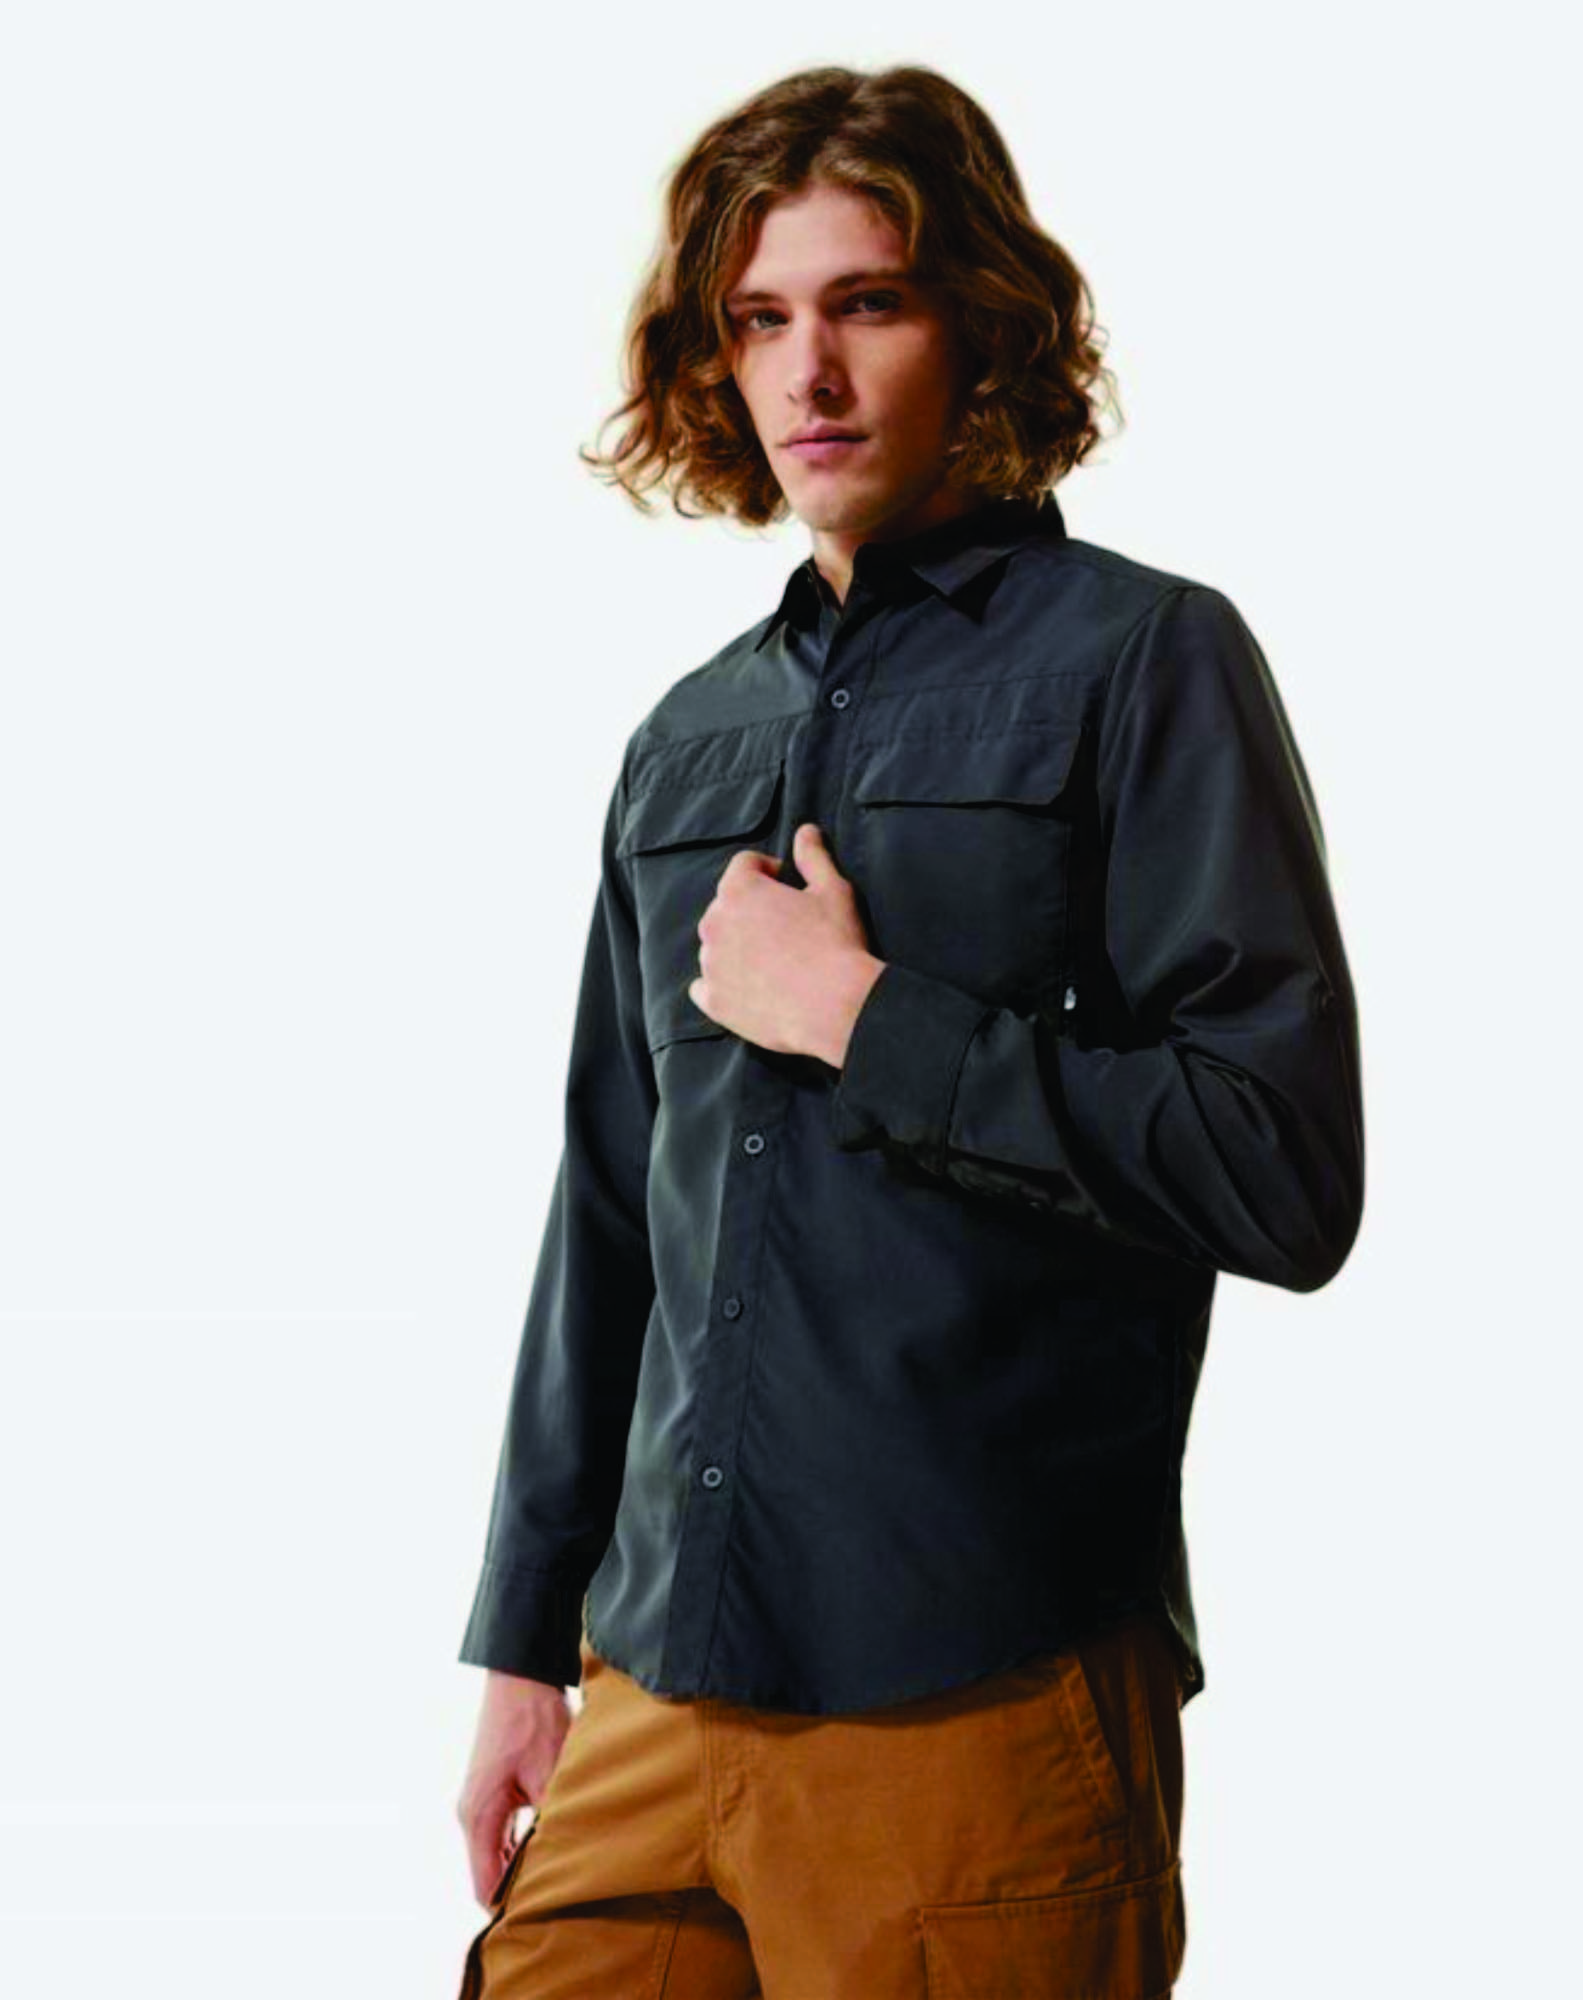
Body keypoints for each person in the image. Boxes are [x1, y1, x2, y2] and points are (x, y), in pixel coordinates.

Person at [453, 61, 1364, 2000]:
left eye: (866, 303)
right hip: (652, 1691)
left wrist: (868, 1017)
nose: (810, 373)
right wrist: (523, 1639)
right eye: (758, 319)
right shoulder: (687, 736)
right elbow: (609, 1208)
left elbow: (1280, 1166)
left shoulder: (1146, 664)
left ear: (979, 323)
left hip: (974, 1692)